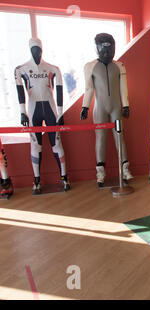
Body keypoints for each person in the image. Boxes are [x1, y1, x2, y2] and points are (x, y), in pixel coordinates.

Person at [14, 38, 70, 194]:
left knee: (57, 144)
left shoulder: (52, 68)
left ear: (42, 49)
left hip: (51, 109)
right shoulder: (21, 69)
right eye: (34, 49)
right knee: (35, 146)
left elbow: (59, 89)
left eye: (38, 49)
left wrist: (60, 112)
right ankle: (36, 180)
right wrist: (22, 112)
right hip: (33, 111)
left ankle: (64, 177)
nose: (37, 52)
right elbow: (19, 91)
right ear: (30, 49)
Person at [80, 33, 133, 187]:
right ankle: (100, 173)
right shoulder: (90, 66)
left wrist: (126, 105)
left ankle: (125, 169)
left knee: (119, 136)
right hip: (100, 108)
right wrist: (85, 107)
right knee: (101, 138)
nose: (107, 53)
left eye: (110, 49)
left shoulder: (119, 65)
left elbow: (123, 88)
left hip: (116, 107)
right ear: (97, 48)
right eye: (104, 49)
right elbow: (89, 89)